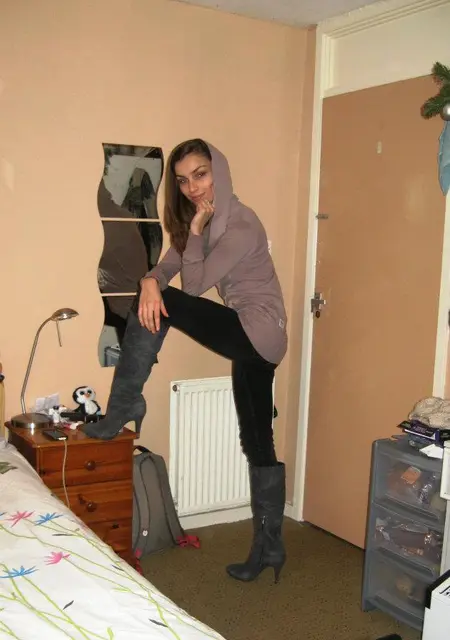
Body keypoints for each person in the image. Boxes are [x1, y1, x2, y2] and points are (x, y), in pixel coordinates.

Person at [83, 139, 289, 584]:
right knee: (257, 441)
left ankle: (124, 405)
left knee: (169, 301)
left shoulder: (241, 224)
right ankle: (270, 548)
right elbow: (167, 268)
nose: (193, 187)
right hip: (250, 335)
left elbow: (191, 286)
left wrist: (193, 233)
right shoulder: (206, 222)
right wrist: (149, 279)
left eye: (201, 174)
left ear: (220, 172)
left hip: (260, 329)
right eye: (182, 180)